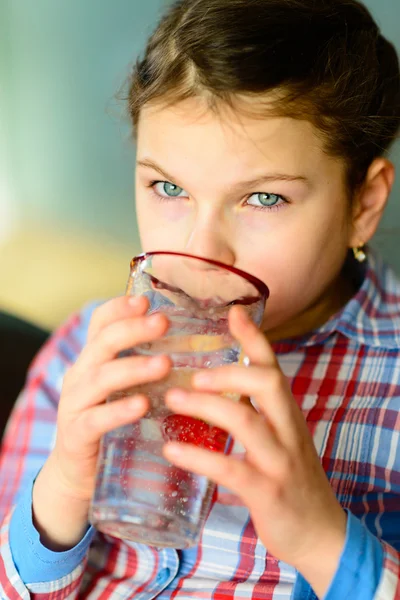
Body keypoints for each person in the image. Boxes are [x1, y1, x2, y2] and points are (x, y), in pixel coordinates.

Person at [1, 0, 399, 597]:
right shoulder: (85, 355)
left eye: (263, 199)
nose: (201, 248)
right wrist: (60, 489)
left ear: (362, 207)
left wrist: (321, 539)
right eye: (168, 188)